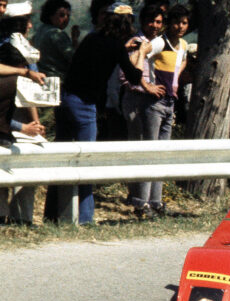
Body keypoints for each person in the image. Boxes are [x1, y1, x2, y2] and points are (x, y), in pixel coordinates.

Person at [44, 1, 153, 225]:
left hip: (66, 100)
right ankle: (84, 218)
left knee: (61, 159)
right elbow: (134, 78)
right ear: (127, 23)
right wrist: (141, 52)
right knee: (86, 163)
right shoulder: (115, 46)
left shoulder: (92, 39)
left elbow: (97, 57)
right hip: (85, 106)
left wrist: (125, 49)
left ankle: (52, 215)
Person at [121, 3, 188, 218]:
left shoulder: (183, 45)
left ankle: (156, 201)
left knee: (161, 154)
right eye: (176, 22)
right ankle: (142, 203)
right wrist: (146, 83)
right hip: (152, 103)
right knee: (150, 153)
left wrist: (173, 86)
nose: (180, 26)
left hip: (169, 101)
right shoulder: (158, 42)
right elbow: (136, 60)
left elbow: (180, 64)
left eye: (184, 23)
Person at [0, 1, 45, 225]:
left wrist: (35, 123)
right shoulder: (10, 48)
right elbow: (25, 82)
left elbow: (30, 89)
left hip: (20, 115)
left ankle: (20, 216)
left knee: (25, 166)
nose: (29, 26)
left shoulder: (24, 47)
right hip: (8, 114)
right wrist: (27, 125)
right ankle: (12, 216)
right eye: (26, 22)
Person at [31, 0, 79, 80]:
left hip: (42, 76)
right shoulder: (57, 34)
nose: (66, 19)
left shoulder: (40, 30)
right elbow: (74, 58)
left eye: (68, 16)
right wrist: (75, 40)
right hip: (58, 79)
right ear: (51, 15)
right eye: (62, 15)